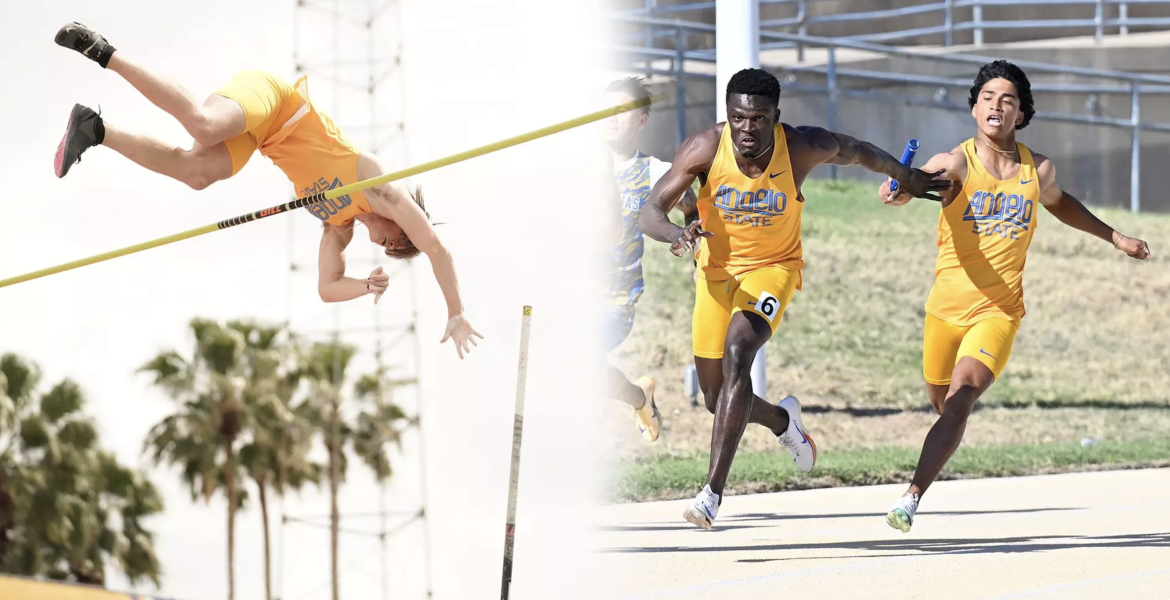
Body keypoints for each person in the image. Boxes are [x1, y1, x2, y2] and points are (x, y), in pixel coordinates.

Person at [52, 22, 482, 358]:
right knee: (203, 122)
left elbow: (326, 287)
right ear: (398, 222)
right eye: (391, 241)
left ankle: (95, 128)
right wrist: (456, 311)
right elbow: (437, 248)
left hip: (262, 140)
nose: (383, 244)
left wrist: (364, 288)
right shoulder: (379, 187)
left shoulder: (340, 224)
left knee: (196, 174)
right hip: (275, 103)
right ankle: (104, 51)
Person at [640, 68, 951, 529]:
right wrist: (675, 234)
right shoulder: (705, 147)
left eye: (758, 119)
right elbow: (650, 209)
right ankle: (784, 423)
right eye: (738, 118)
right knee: (715, 396)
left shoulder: (802, 145)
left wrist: (906, 176)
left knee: (738, 352)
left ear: (775, 117)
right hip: (715, 275)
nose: (747, 129)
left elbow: (858, 151)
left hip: (773, 269)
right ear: (728, 116)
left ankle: (711, 494)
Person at [878, 60, 1152, 533]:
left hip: (999, 311)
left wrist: (1116, 237)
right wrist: (898, 187)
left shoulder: (1037, 169)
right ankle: (936, 457)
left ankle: (911, 497)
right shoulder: (957, 161)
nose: (996, 106)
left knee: (961, 399)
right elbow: (920, 179)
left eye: (1007, 100)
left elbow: (1061, 203)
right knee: (943, 403)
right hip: (944, 311)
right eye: (987, 97)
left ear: (1020, 114)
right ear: (974, 108)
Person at [601, 77, 698, 442]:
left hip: (615, 301)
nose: (609, 118)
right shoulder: (577, 167)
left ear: (641, 120)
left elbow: (693, 207)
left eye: (621, 111)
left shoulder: (655, 173)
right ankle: (640, 397)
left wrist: (696, 259)